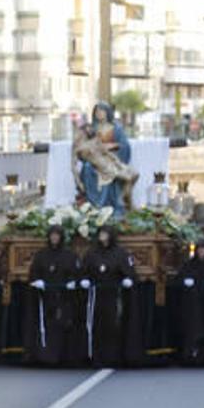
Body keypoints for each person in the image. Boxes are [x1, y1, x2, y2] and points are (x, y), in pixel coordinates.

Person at [80, 225, 140, 367]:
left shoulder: (120, 253)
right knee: (96, 326)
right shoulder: (92, 252)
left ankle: (113, 357)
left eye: (105, 233)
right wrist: (85, 279)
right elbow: (85, 270)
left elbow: (130, 272)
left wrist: (128, 279)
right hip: (96, 296)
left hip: (113, 296)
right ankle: (96, 357)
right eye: (101, 233)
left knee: (113, 327)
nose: (102, 236)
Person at [24, 226, 84, 366]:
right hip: (46, 297)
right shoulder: (41, 254)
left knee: (64, 325)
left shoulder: (69, 255)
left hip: (64, 297)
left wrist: (72, 282)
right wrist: (37, 281)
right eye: (52, 235)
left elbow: (76, 272)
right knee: (47, 327)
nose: (54, 238)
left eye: (57, 235)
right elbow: (34, 272)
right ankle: (46, 356)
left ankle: (65, 357)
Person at [75, 102, 133, 214]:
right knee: (87, 168)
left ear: (107, 113)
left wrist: (113, 147)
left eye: (101, 111)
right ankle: (93, 203)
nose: (99, 114)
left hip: (111, 157)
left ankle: (112, 203)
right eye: (97, 111)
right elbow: (83, 146)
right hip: (95, 159)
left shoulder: (116, 128)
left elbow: (124, 146)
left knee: (114, 172)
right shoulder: (91, 129)